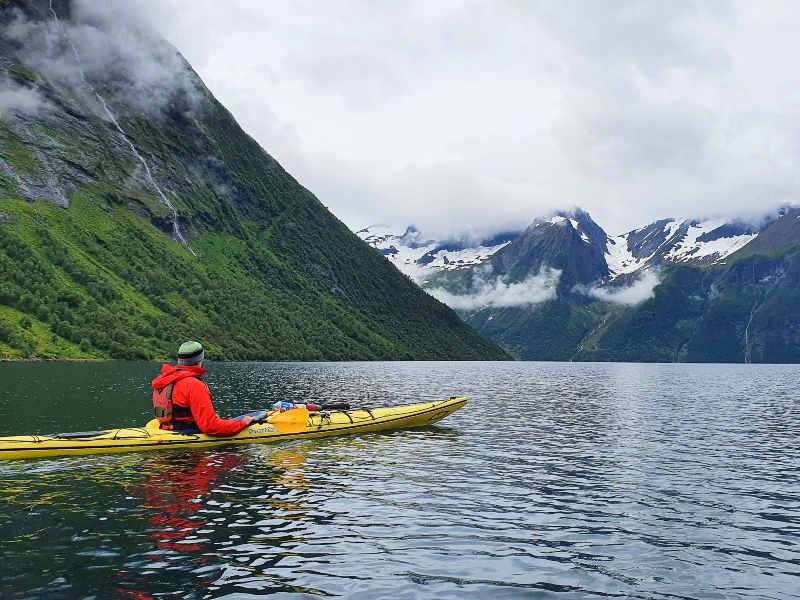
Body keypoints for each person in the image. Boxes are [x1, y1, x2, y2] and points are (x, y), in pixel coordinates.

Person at [151, 341, 259, 436]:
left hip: (166, 428)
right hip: (187, 433)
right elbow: (210, 426)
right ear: (199, 360)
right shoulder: (194, 384)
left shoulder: (165, 380)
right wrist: (242, 423)